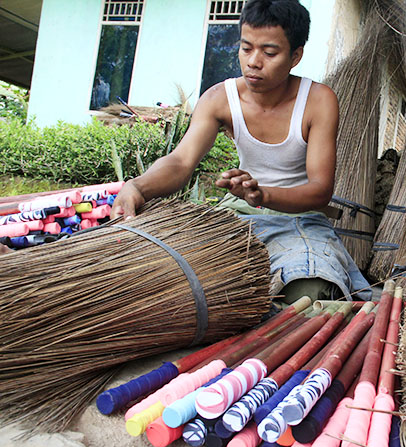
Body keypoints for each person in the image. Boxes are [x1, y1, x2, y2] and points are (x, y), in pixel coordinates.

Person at [111, 0, 371, 305]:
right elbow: (181, 161)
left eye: (269, 52)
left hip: (299, 222)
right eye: (246, 48)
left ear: (295, 56)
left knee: (310, 292)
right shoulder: (220, 99)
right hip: (236, 218)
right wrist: (136, 187)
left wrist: (263, 196)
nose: (253, 62)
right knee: (172, 278)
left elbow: (319, 191)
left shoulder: (318, 101)